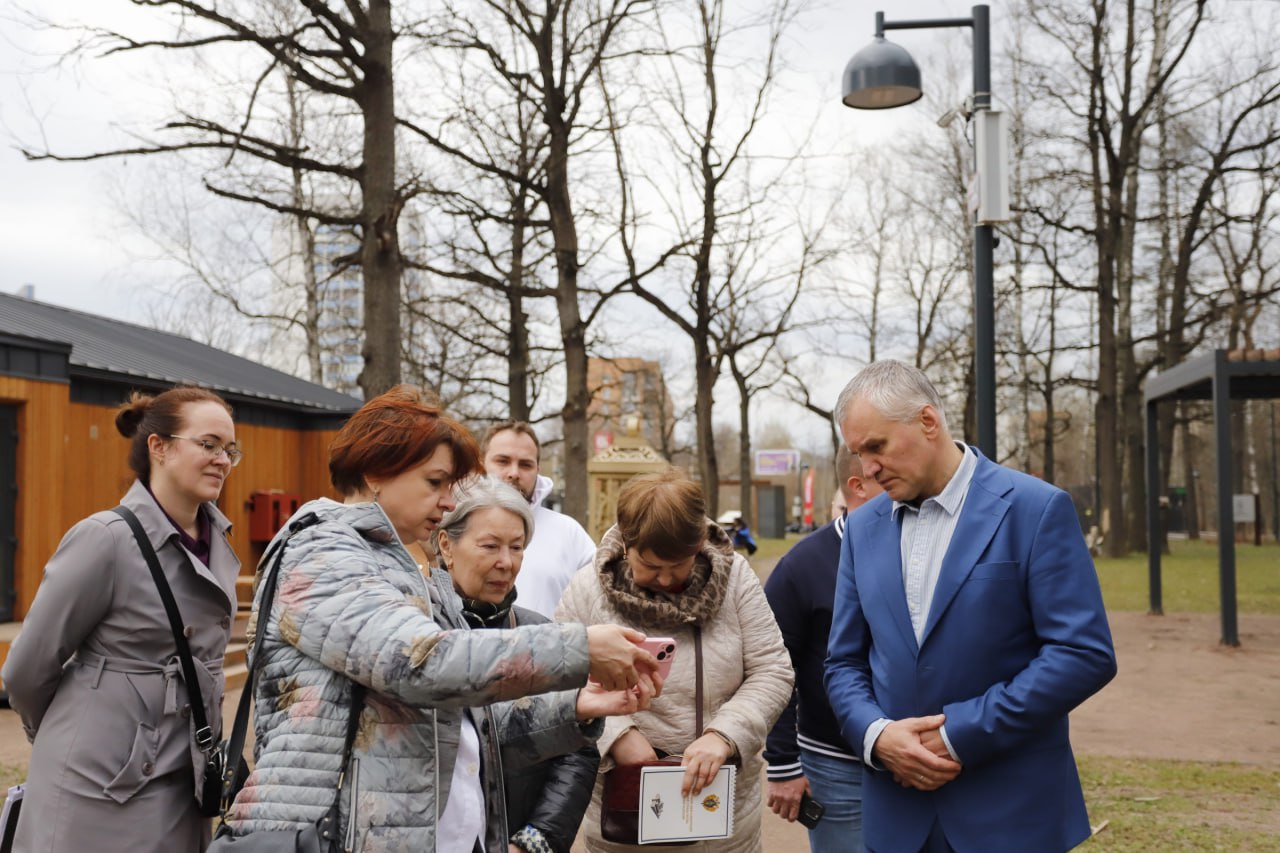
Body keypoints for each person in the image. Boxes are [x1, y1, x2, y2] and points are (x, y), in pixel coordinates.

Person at [223, 386, 660, 852]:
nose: (449, 502)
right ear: (376, 473)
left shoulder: (408, 566)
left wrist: (574, 708)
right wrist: (580, 649)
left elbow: (465, 725)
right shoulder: (321, 552)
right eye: (435, 483)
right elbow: (420, 665)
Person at [824, 361, 1117, 853]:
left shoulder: (1036, 509)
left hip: (1010, 815)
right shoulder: (862, 527)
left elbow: (1082, 654)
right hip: (895, 818)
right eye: (858, 453)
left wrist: (962, 732)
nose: (866, 469)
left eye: (876, 447)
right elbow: (843, 662)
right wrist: (877, 736)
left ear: (928, 422)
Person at [2, 385, 243, 852]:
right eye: (208, 444)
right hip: (96, 786)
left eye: (230, 449)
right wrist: (62, 738)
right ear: (160, 447)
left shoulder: (218, 543)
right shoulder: (106, 539)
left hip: (183, 781)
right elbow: (26, 669)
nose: (223, 459)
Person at [557, 468, 794, 853]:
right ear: (625, 544)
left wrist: (724, 735)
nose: (666, 581)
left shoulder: (736, 581)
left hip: (725, 823)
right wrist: (617, 734)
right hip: (625, 819)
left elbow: (773, 670)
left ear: (699, 543)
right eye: (650, 567)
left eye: (678, 566)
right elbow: (561, 678)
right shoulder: (587, 590)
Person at [436, 476, 602, 853]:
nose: (506, 563)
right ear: (447, 545)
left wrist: (534, 840)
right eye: (490, 546)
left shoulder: (541, 636)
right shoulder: (420, 636)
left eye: (517, 547)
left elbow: (577, 750)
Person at [763, 445, 883, 853]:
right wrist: (782, 763)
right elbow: (772, 668)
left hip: (922, 761)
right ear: (860, 485)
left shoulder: (922, 551)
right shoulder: (802, 566)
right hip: (837, 765)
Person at [481, 422, 597, 617]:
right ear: (481, 464)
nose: (514, 473)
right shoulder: (455, 527)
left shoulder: (568, 532)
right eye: (503, 461)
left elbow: (600, 603)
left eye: (525, 464)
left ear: (538, 469)